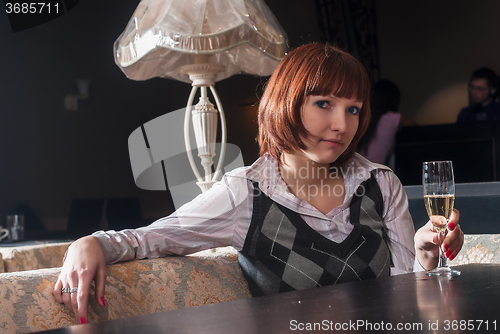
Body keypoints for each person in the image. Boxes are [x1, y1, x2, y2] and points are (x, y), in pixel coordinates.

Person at [53, 43, 464, 324]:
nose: (342, 124)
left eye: (353, 109)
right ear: (286, 102)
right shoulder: (245, 193)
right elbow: (152, 238)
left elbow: (406, 297)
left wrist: (426, 259)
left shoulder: (379, 183)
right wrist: (90, 242)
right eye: (324, 103)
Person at [358, 80, 417, 165]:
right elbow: (413, 125)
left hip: (357, 171)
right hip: (374, 172)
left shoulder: (366, 118)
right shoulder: (392, 118)